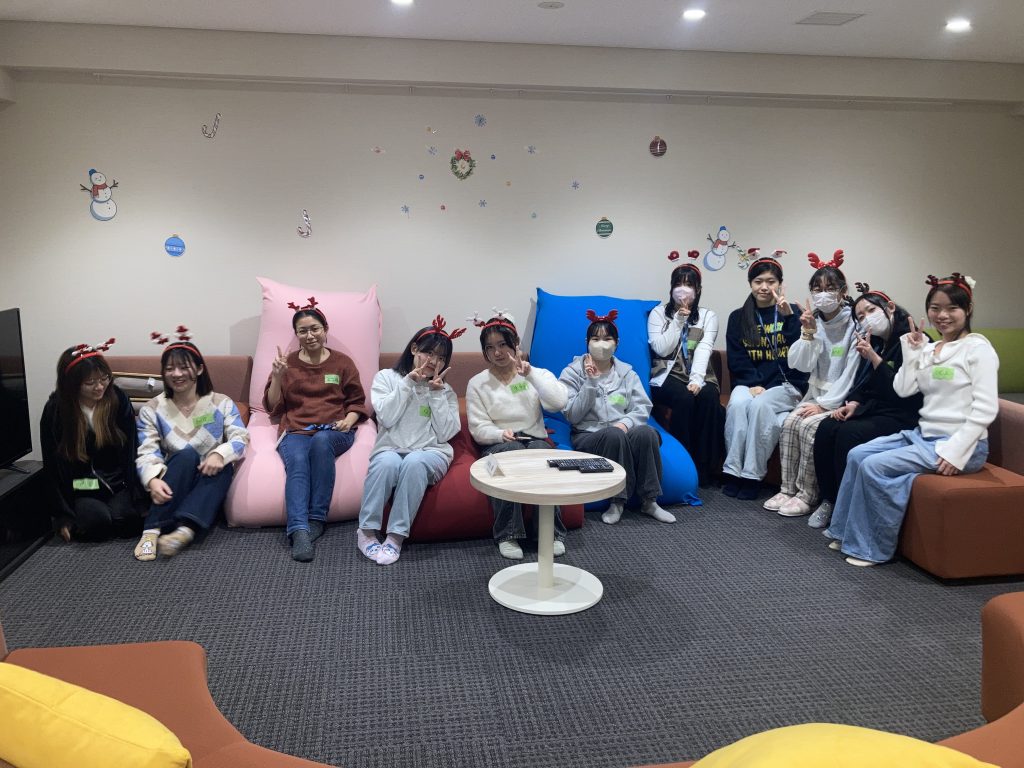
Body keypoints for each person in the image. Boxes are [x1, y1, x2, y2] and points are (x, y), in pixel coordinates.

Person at [824, 273, 998, 566]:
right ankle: (845, 531)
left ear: (968, 309)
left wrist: (957, 451)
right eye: (935, 308)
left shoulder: (978, 348)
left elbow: (986, 408)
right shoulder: (930, 348)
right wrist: (913, 351)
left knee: (875, 466)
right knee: (857, 454)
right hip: (923, 436)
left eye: (952, 308)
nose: (942, 315)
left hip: (960, 445)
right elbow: (903, 389)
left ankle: (870, 548)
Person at [264, 298, 369, 562]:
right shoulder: (286, 363)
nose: (309, 335)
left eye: (315, 329)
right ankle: (299, 530)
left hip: (335, 430)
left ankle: (317, 519)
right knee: (298, 463)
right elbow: (272, 405)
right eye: (303, 331)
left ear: (325, 329)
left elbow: (357, 401)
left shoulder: (342, 362)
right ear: (296, 334)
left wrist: (349, 420)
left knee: (322, 442)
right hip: (297, 430)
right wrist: (277, 376)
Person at [809, 284, 922, 529]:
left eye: (871, 310)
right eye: (860, 316)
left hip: (904, 414)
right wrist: (854, 402)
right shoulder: (877, 341)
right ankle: (829, 499)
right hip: (875, 408)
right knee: (827, 427)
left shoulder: (913, 340)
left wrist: (873, 358)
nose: (867, 318)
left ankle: (847, 506)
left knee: (849, 434)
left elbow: (902, 393)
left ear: (890, 308)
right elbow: (863, 380)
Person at [357, 316, 463, 565]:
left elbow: (446, 434)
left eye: (441, 357)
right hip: (390, 448)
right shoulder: (386, 378)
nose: (433, 361)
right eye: (429, 353)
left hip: (431, 452)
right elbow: (387, 417)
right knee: (387, 463)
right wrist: (408, 383)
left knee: (415, 462)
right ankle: (366, 532)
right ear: (414, 349)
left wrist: (436, 395)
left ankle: (395, 537)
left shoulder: (445, 391)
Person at [134, 331, 249, 561]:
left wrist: (220, 454)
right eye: (170, 369)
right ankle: (151, 530)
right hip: (173, 480)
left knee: (225, 467)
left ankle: (185, 531)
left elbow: (240, 437)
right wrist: (153, 480)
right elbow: (147, 451)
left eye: (184, 367)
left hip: (208, 479)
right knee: (186, 455)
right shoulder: (151, 409)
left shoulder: (221, 403)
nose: (177, 374)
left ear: (199, 369)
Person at [467, 311, 569, 559]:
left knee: (544, 454)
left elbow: (558, 403)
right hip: (497, 446)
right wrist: (499, 434)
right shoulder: (477, 383)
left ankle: (550, 533)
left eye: (503, 344)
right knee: (509, 455)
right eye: (490, 347)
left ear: (515, 344)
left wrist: (530, 374)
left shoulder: (536, 374)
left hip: (535, 440)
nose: (497, 352)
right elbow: (478, 428)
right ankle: (508, 534)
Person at [766, 252, 861, 518]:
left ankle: (808, 494)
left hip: (840, 400)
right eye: (817, 289)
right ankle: (787, 489)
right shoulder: (813, 320)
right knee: (790, 423)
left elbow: (851, 372)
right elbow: (800, 364)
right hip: (815, 394)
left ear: (843, 291)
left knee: (808, 427)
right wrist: (808, 333)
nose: (823, 294)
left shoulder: (855, 324)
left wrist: (825, 406)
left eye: (830, 288)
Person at [560, 309, 673, 525]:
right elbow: (572, 415)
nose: (601, 344)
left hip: (622, 431)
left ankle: (650, 500)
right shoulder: (572, 372)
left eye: (607, 339)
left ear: (617, 343)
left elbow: (642, 407)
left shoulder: (627, 373)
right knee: (613, 435)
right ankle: (617, 501)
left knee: (646, 433)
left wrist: (625, 423)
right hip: (588, 435)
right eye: (595, 339)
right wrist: (591, 383)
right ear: (587, 342)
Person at [40, 340, 146, 541]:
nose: (99, 387)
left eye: (104, 379)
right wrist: (63, 514)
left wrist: (138, 497)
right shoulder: (56, 410)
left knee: (129, 521)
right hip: (81, 486)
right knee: (97, 524)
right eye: (90, 383)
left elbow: (132, 450)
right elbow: (52, 464)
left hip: (117, 482)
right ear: (71, 384)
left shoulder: (117, 399)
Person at [722, 255, 809, 500]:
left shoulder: (794, 313)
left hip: (787, 384)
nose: (764, 287)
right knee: (738, 405)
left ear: (780, 284)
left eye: (771, 282)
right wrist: (754, 383)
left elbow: (801, 356)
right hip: (749, 382)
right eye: (758, 281)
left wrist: (789, 318)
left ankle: (752, 476)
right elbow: (737, 358)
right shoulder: (738, 317)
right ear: (750, 284)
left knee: (760, 406)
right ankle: (732, 471)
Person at [648, 254, 725, 487]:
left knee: (708, 397)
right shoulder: (658, 313)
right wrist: (678, 321)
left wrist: (697, 380)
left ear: (698, 289)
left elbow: (704, 348)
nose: (683, 289)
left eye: (689, 284)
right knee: (684, 398)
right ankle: (683, 462)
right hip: (667, 374)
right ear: (671, 288)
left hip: (699, 373)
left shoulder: (708, 316)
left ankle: (705, 467)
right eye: (678, 284)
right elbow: (661, 349)